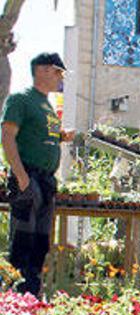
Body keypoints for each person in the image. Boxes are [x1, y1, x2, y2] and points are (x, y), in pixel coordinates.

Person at [1, 52, 74, 295]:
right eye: (57, 72)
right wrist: (21, 177)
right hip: (28, 177)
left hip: (46, 181)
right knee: (22, 241)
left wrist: (62, 136)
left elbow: (45, 137)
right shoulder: (21, 99)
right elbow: (8, 136)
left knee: (41, 242)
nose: (60, 78)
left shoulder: (49, 107)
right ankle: (16, 300)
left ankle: (33, 297)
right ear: (42, 70)